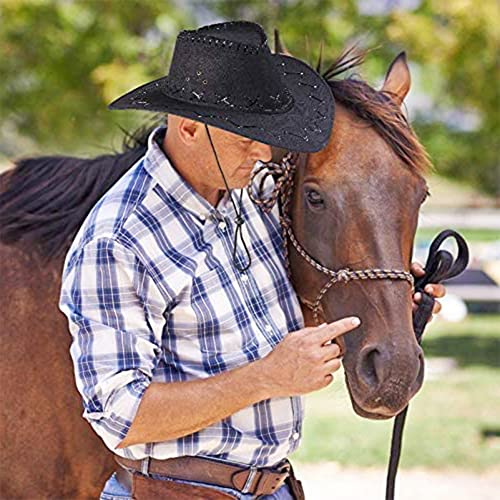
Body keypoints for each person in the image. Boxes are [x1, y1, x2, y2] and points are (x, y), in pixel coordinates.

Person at [59, 21, 445, 500]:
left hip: (273, 486)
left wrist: (382, 288)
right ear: (189, 127)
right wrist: (266, 378)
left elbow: (296, 291)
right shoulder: (120, 239)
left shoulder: (245, 194)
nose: (263, 151)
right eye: (245, 138)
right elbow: (121, 415)